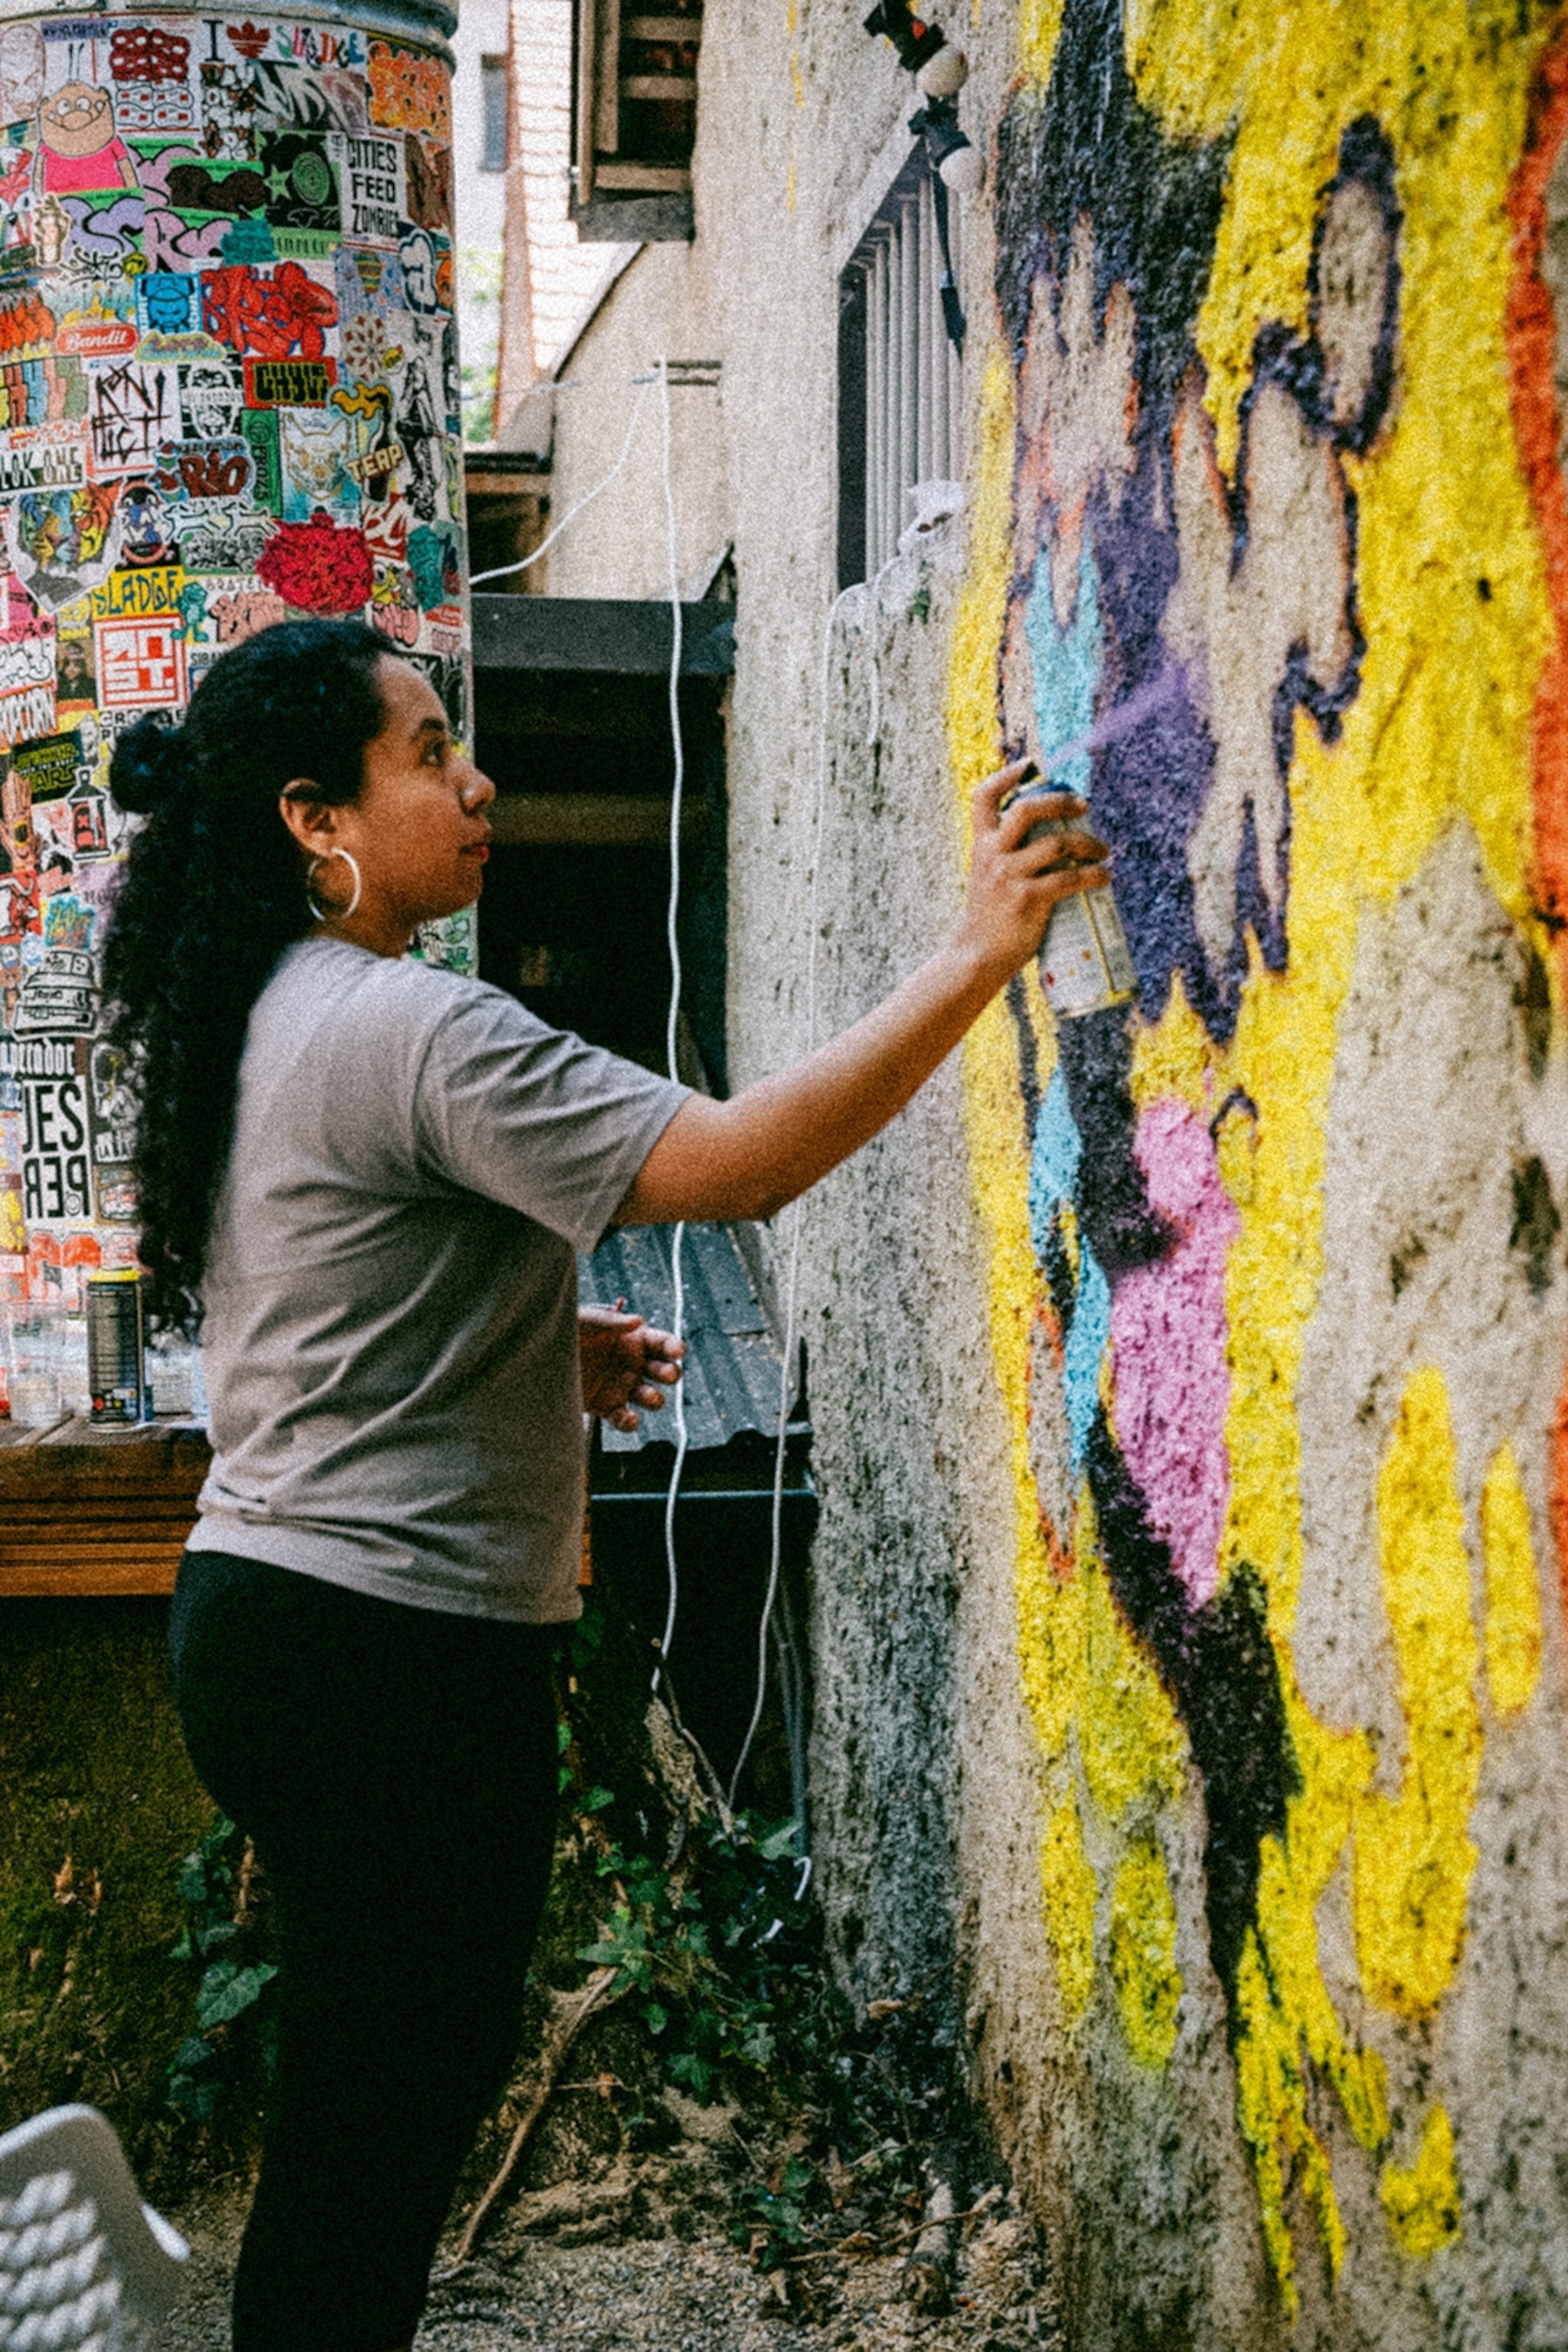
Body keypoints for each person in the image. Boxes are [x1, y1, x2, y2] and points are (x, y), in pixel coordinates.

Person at [100, 618, 1109, 2352]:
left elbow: (321, 1291)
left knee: (368, 2101)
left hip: (276, 1621)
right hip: (389, 1656)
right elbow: (732, 1167)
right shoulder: (420, 1028)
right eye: (428, 752)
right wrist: (976, 951)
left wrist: (538, 1352)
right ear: (313, 820)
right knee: (381, 2123)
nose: (476, 780)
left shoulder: (271, 1012)